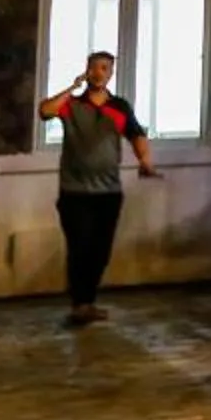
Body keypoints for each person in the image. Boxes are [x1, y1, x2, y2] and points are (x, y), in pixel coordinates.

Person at [36, 51, 161, 325]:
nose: (98, 73)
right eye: (93, 68)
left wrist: (145, 161)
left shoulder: (119, 107)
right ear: (87, 70)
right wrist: (72, 87)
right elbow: (45, 110)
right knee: (79, 247)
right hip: (75, 192)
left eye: (104, 68)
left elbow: (137, 135)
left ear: (111, 73)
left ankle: (88, 302)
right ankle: (79, 304)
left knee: (99, 251)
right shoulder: (71, 105)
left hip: (108, 193)